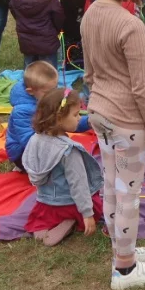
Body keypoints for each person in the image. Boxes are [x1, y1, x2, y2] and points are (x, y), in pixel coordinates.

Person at [79, 0, 145, 289]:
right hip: (128, 122)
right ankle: (125, 269)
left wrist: (97, 100)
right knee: (128, 194)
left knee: (113, 188)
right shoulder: (130, 25)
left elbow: (87, 73)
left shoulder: (90, 15)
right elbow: (141, 88)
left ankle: (123, 249)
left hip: (100, 113)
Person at [22, 88, 106, 247]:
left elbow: (28, 163)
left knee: (45, 215)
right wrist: (87, 214)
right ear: (59, 118)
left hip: (47, 203)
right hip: (70, 204)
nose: (78, 118)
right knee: (96, 203)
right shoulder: (69, 151)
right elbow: (79, 184)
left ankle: (43, 226)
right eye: (75, 115)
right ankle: (71, 220)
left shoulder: (34, 139)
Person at [6, 61, 88, 170]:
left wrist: (88, 122)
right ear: (30, 91)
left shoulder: (45, 99)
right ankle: (28, 170)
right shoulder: (21, 111)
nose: (52, 94)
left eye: (54, 88)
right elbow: (29, 143)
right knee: (63, 165)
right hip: (22, 152)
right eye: (47, 92)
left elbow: (67, 121)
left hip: (44, 142)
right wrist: (56, 147)